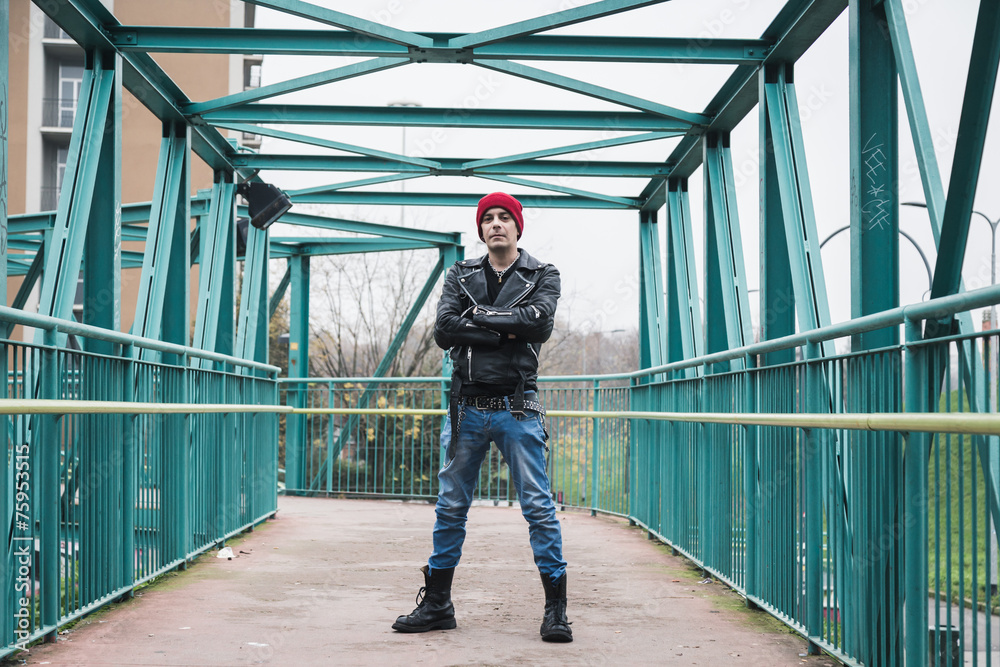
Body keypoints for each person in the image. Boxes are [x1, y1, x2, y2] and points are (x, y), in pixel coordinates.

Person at [392, 192, 571, 642]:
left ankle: (556, 611)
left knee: (538, 507)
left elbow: (541, 325)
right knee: (451, 507)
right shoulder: (460, 273)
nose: (495, 225)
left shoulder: (543, 273)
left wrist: (480, 319)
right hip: (466, 408)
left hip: (517, 407)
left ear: (517, 227)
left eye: (503, 218)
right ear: (481, 228)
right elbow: (444, 330)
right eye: (487, 218)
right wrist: (507, 328)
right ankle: (437, 604)